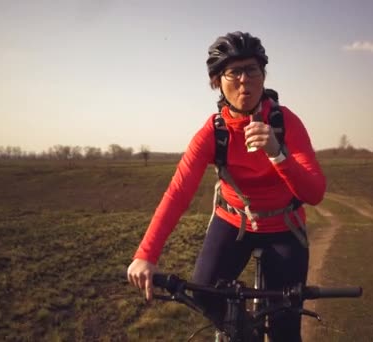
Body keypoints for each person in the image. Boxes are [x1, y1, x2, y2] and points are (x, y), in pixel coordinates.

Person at [127, 31, 326, 341]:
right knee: (205, 295)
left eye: (252, 70)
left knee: (285, 324)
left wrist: (277, 153)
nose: (244, 80)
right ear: (217, 81)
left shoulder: (286, 123)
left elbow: (314, 193)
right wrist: (146, 255)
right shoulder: (212, 132)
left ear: (263, 76)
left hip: (284, 226)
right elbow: (178, 193)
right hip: (233, 221)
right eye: (233, 72)